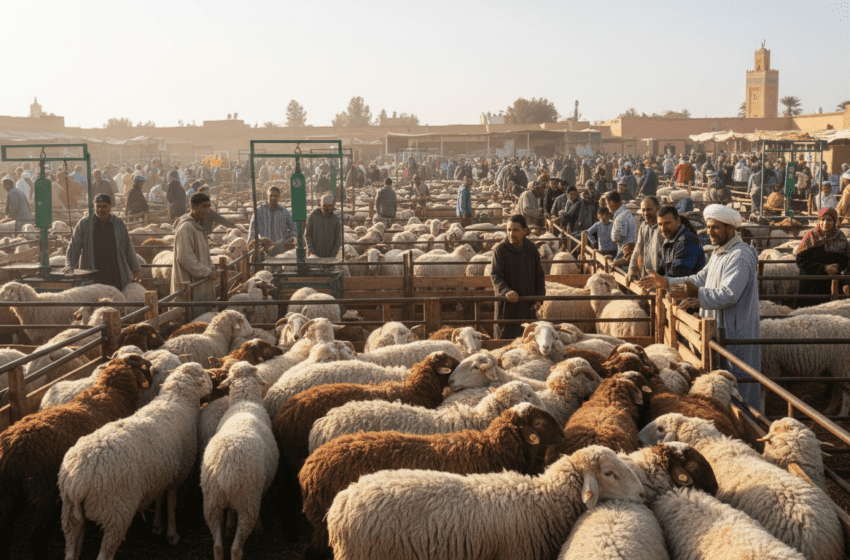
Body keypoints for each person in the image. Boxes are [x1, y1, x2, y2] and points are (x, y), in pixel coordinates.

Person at [641, 204, 761, 409]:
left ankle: (748, 424)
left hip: (735, 328)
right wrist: (667, 282)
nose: (710, 232)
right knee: (721, 379)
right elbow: (700, 278)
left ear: (730, 228)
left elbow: (729, 294)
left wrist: (696, 293)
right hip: (718, 326)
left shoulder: (739, 256)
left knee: (739, 380)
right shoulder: (720, 253)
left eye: (716, 227)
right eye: (708, 227)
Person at [64, 194, 141, 291]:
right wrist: (69, 265)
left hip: (114, 271)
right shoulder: (85, 224)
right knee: (93, 300)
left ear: (110, 207)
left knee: (116, 298)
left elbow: (128, 247)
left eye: (104, 206)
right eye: (98, 206)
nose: (101, 210)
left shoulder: (118, 224)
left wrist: (135, 268)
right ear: (94, 207)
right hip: (92, 272)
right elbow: (74, 247)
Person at [490, 214, 546, 339]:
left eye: (515, 230)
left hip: (527, 306)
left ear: (524, 231)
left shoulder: (531, 249)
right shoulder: (500, 250)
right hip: (507, 307)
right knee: (506, 344)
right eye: (509, 230)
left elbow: (539, 275)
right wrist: (506, 291)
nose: (511, 234)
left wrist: (539, 298)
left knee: (528, 342)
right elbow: (495, 275)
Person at [172, 192, 217, 318]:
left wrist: (211, 266)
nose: (207, 210)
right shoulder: (186, 228)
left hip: (199, 282)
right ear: (192, 207)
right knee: (190, 321)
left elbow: (203, 253)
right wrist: (206, 272)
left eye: (209, 206)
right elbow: (185, 258)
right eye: (204, 206)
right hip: (190, 284)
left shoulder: (197, 225)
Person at [795, 207, 850, 307]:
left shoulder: (840, 237)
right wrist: (824, 268)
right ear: (819, 220)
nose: (825, 223)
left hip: (830, 284)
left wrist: (844, 278)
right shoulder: (811, 236)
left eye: (829, 220)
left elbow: (847, 261)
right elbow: (800, 260)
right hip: (810, 284)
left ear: (835, 221)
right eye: (822, 219)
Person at [638, 205, 706, 279]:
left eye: (667, 223)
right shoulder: (669, 239)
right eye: (660, 224)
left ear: (678, 221)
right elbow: (663, 268)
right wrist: (653, 278)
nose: (663, 228)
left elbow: (676, 273)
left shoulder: (687, 241)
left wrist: (658, 281)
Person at [248, 186, 296, 257]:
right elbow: (252, 230)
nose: (273, 198)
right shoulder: (259, 211)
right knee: (263, 267)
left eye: (276, 196)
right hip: (264, 251)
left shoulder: (284, 212)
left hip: (280, 251)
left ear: (279, 197)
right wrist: (250, 245)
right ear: (267, 196)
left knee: (278, 267)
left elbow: (294, 229)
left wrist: (285, 240)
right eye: (271, 195)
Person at [626, 196, 662, 283]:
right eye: (643, 210)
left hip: (659, 276)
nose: (645, 213)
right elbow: (638, 248)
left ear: (657, 209)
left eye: (649, 209)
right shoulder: (644, 226)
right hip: (645, 274)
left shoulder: (662, 228)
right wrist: (631, 270)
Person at [608, 191, 637, 268]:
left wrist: (612, 235)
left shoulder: (620, 217)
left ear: (611, 203)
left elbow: (617, 237)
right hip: (631, 252)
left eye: (607, 204)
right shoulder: (627, 214)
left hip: (624, 253)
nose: (608, 207)